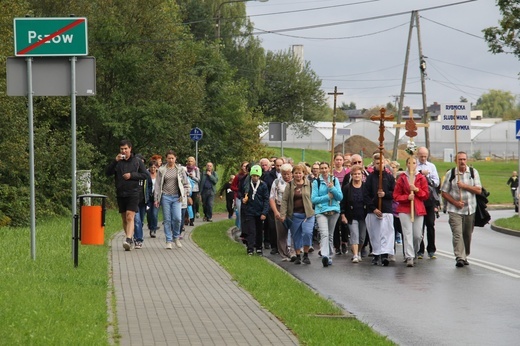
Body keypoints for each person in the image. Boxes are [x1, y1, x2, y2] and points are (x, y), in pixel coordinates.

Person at [105, 139, 149, 251]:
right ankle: (130, 238)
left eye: (125, 149)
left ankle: (128, 239)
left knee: (130, 216)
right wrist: (115, 161)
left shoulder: (137, 161)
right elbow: (107, 173)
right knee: (124, 219)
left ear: (130, 149)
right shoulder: (118, 161)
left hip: (134, 193)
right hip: (121, 193)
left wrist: (132, 175)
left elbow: (145, 175)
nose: (123, 151)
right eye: (121, 149)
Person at [441, 151, 482, 267]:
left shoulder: (473, 172)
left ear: (467, 160)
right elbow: (444, 192)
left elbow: (478, 190)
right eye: (460, 160)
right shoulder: (451, 174)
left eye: (464, 159)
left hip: (470, 209)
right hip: (455, 210)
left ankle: (465, 254)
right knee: (457, 234)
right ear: (456, 161)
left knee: (467, 234)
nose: (462, 162)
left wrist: (464, 186)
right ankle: (460, 257)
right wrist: (455, 202)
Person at [393, 156, 429, 267]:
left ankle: (415, 250)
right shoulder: (402, 178)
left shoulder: (421, 178)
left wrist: (417, 190)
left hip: (418, 209)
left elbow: (426, 195)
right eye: (409, 163)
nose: (412, 165)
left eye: (414, 162)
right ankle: (409, 256)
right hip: (405, 209)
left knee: (417, 235)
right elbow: (396, 195)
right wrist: (406, 197)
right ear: (407, 164)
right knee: (407, 233)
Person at [279, 164, 315, 265]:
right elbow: (285, 200)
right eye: (296, 173)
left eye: (300, 173)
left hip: (308, 214)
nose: (298, 175)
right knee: (296, 236)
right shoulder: (290, 185)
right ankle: (298, 255)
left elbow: (314, 197)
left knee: (308, 233)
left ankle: (306, 254)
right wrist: (283, 214)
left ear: (304, 174)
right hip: (294, 214)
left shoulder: (309, 184)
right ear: (293, 174)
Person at [154, 150, 191, 250]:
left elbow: (186, 184)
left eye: (172, 158)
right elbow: (157, 185)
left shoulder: (180, 170)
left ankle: (176, 237)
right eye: (169, 158)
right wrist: (156, 198)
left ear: (175, 158)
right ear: (166, 159)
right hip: (165, 196)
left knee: (177, 218)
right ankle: (168, 240)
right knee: (167, 219)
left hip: (177, 197)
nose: (171, 160)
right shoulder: (162, 170)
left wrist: (185, 193)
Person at [363, 152, 395, 266]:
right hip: (374, 210)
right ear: (374, 164)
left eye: (381, 162)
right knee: (375, 233)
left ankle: (385, 254)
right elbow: (365, 194)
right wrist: (373, 208)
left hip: (386, 209)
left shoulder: (389, 177)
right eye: (377, 163)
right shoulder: (370, 178)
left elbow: (394, 193)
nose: (379, 164)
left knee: (386, 233)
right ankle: (376, 254)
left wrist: (385, 194)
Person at [311, 161, 343, 267]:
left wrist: (333, 189)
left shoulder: (334, 180)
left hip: (334, 210)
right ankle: (324, 255)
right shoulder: (317, 182)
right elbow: (314, 199)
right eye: (322, 168)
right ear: (319, 170)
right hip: (321, 211)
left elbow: (340, 197)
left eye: (326, 168)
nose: (324, 170)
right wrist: (327, 197)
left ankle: (329, 255)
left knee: (330, 234)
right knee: (324, 233)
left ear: (329, 168)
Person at [416, 146, 440, 259]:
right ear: (417, 155)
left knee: (430, 224)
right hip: (418, 199)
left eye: (425, 156)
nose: (423, 158)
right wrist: (421, 173)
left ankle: (431, 249)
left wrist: (428, 177)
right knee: (419, 226)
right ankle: (419, 250)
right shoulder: (414, 165)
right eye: (421, 156)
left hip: (429, 200)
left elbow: (436, 182)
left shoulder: (431, 166)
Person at [340, 164, 367, 263]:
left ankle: (358, 251)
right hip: (351, 215)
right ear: (351, 175)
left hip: (363, 215)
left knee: (362, 237)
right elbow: (343, 202)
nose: (357, 176)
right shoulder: (347, 188)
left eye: (358, 174)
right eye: (354, 174)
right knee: (354, 234)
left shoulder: (365, 187)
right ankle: (355, 255)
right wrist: (343, 215)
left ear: (362, 175)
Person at [241, 165, 269, 256]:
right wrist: (243, 199)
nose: (255, 178)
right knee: (251, 230)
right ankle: (250, 248)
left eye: (257, 176)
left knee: (259, 230)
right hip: (250, 211)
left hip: (260, 211)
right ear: (251, 175)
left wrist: (264, 212)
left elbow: (266, 199)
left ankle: (259, 247)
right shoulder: (247, 185)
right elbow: (241, 194)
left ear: (259, 176)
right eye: (253, 176)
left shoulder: (263, 185)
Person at [269, 164, 293, 261]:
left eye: (288, 174)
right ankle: (283, 253)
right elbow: (271, 198)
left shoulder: (294, 182)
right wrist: (275, 212)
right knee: (281, 232)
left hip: (292, 209)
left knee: (294, 231)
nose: (286, 176)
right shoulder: (277, 182)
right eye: (284, 174)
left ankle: (293, 252)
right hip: (279, 207)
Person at [332, 153, 349, 255]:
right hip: (334, 199)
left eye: (340, 160)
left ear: (343, 161)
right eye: (337, 160)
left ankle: (344, 242)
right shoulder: (332, 173)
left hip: (345, 199)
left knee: (344, 223)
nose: (338, 161)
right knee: (335, 223)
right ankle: (336, 245)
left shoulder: (347, 173)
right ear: (334, 161)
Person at [132, 154, 150, 249]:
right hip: (134, 200)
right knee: (137, 220)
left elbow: (150, 186)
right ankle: (138, 239)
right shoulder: (132, 173)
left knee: (141, 221)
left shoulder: (146, 174)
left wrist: (150, 198)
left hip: (143, 201)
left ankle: (136, 235)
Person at [146, 160, 160, 238]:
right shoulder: (146, 174)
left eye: (154, 167)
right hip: (148, 197)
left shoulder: (159, 175)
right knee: (149, 213)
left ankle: (153, 229)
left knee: (154, 213)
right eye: (151, 167)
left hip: (156, 198)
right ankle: (150, 227)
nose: (153, 169)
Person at [186, 156, 201, 222]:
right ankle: (186, 218)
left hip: (194, 189)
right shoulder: (185, 169)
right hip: (187, 189)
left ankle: (192, 219)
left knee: (193, 204)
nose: (190, 162)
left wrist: (193, 177)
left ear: (194, 162)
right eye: (189, 161)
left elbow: (198, 179)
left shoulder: (196, 169)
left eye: (191, 161)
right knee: (186, 204)